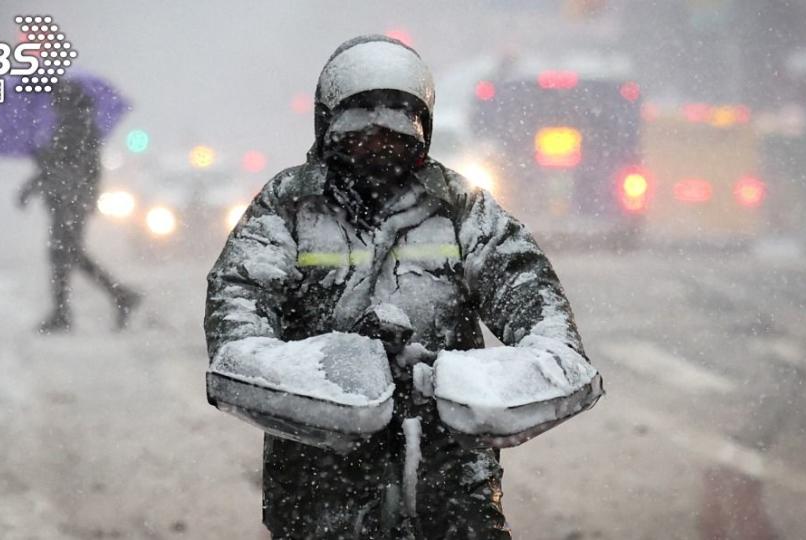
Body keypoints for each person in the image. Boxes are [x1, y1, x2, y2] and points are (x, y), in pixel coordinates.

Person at [204, 35, 598, 539]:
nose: (378, 137)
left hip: (449, 446)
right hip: (319, 446)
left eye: (397, 123)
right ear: (327, 124)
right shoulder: (289, 203)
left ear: (424, 127)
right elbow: (239, 302)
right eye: (360, 121)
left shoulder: (460, 206)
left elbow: (526, 287)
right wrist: (305, 370)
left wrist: (538, 356)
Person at [18, 80, 140, 333]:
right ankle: (113, 297)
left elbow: (60, 166)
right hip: (71, 200)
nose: (52, 105)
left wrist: (38, 159)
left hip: (69, 201)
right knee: (68, 254)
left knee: (64, 254)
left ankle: (78, 308)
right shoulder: (80, 126)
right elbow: (68, 166)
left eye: (56, 100)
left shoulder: (75, 127)